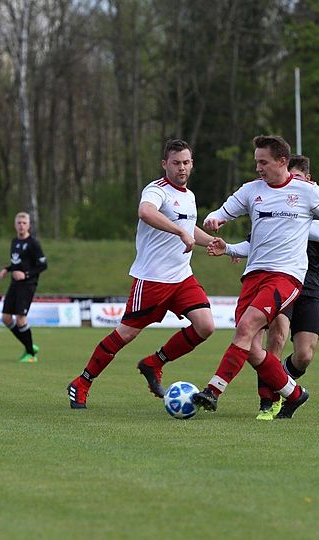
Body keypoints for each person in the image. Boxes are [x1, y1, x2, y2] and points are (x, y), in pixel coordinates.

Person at [197, 135, 319, 419]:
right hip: (253, 275)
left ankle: (213, 390)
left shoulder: (307, 191)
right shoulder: (251, 190)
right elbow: (222, 212)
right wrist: (214, 219)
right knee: (251, 347)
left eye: (263, 162)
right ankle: (294, 394)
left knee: (248, 328)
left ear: (282, 161)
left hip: (286, 276)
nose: (258, 167)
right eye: (256, 162)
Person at [66, 139, 220, 409]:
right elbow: (146, 212)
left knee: (205, 326)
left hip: (182, 277)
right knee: (125, 334)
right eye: (176, 163)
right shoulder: (156, 190)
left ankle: (154, 363)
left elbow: (190, 229)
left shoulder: (189, 195)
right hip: (152, 280)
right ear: (164, 164)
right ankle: (82, 382)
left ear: (192, 163)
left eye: (186, 162)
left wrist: (218, 244)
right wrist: (180, 232)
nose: (182, 168)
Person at [0, 212, 48, 363]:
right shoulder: (14, 242)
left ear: (29, 226)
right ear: (15, 225)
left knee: (20, 319)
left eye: (24, 223)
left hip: (27, 285)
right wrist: (7, 269)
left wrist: (25, 275)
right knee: (6, 318)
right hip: (14, 284)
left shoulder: (33, 243)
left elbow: (43, 265)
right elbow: (17, 263)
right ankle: (30, 346)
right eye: (19, 223)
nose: (21, 225)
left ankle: (31, 354)